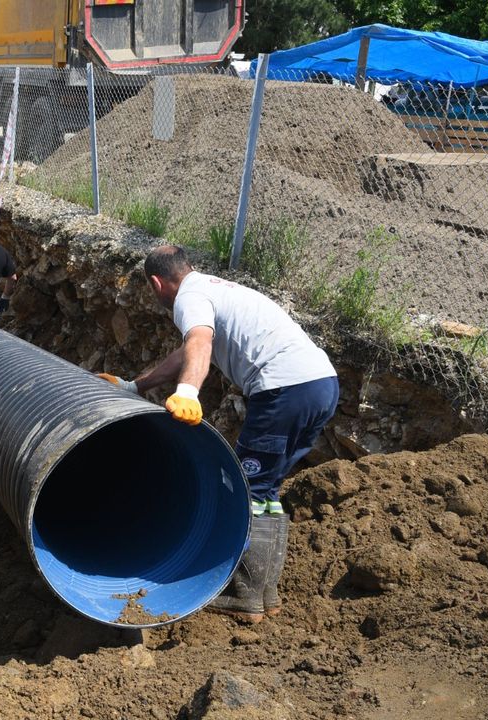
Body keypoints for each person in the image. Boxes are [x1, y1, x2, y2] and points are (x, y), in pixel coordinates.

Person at [100, 245, 338, 623]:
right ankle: (265, 594)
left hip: (283, 389)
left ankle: (245, 594)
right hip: (320, 385)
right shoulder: (217, 289)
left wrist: (187, 392)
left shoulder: (189, 297)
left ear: (158, 282)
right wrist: (135, 387)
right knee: (265, 490)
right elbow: (186, 353)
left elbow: (199, 343)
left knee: (243, 487)